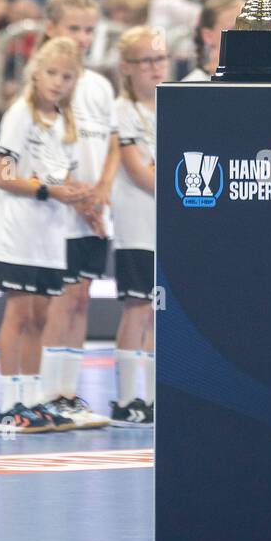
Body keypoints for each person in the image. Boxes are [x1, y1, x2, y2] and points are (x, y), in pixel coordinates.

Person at [0, 37, 94, 433]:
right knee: (18, 313)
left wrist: (76, 193)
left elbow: (61, 177)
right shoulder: (21, 114)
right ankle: (6, 404)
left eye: (67, 77)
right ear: (36, 72)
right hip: (20, 229)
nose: (59, 82)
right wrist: (51, 191)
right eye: (52, 73)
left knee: (40, 316)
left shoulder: (66, 121)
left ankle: (31, 401)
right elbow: (3, 176)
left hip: (51, 233)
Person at [36, 0, 115, 431]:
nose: (83, 38)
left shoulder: (101, 86)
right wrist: (78, 194)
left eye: (89, 29)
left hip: (93, 210)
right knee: (59, 302)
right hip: (59, 211)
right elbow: (43, 147)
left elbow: (113, 145)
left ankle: (67, 394)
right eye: (73, 29)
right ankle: (48, 395)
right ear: (51, 29)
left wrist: (101, 190)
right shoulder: (49, 82)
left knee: (80, 299)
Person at [109, 26, 164, 426]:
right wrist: (183, 188)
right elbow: (136, 168)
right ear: (127, 68)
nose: (154, 68)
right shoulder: (122, 111)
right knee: (138, 307)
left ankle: (155, 396)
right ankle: (128, 398)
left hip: (167, 226)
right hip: (136, 223)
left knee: (161, 312)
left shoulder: (171, 105)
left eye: (159, 59)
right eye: (145, 61)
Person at [183, 0, 243, 82]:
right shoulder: (191, 86)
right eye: (234, 30)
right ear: (208, 36)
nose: (245, 36)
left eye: (249, 28)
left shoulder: (263, 80)